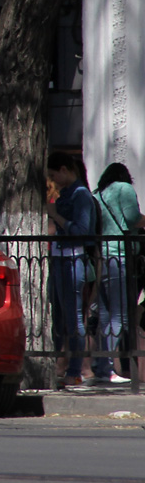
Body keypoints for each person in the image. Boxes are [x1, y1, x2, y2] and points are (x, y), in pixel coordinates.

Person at [45, 151, 97, 387]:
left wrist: (57, 217)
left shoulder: (81, 195)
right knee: (59, 316)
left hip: (73, 259)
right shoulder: (65, 193)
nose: (53, 180)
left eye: (54, 175)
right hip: (60, 257)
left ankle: (75, 369)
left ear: (65, 170)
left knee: (74, 317)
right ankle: (62, 365)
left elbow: (82, 230)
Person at [93, 162, 144, 384]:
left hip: (102, 256)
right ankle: (112, 367)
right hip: (120, 255)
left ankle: (102, 367)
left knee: (105, 313)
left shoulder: (99, 194)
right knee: (120, 314)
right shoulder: (124, 188)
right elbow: (133, 219)